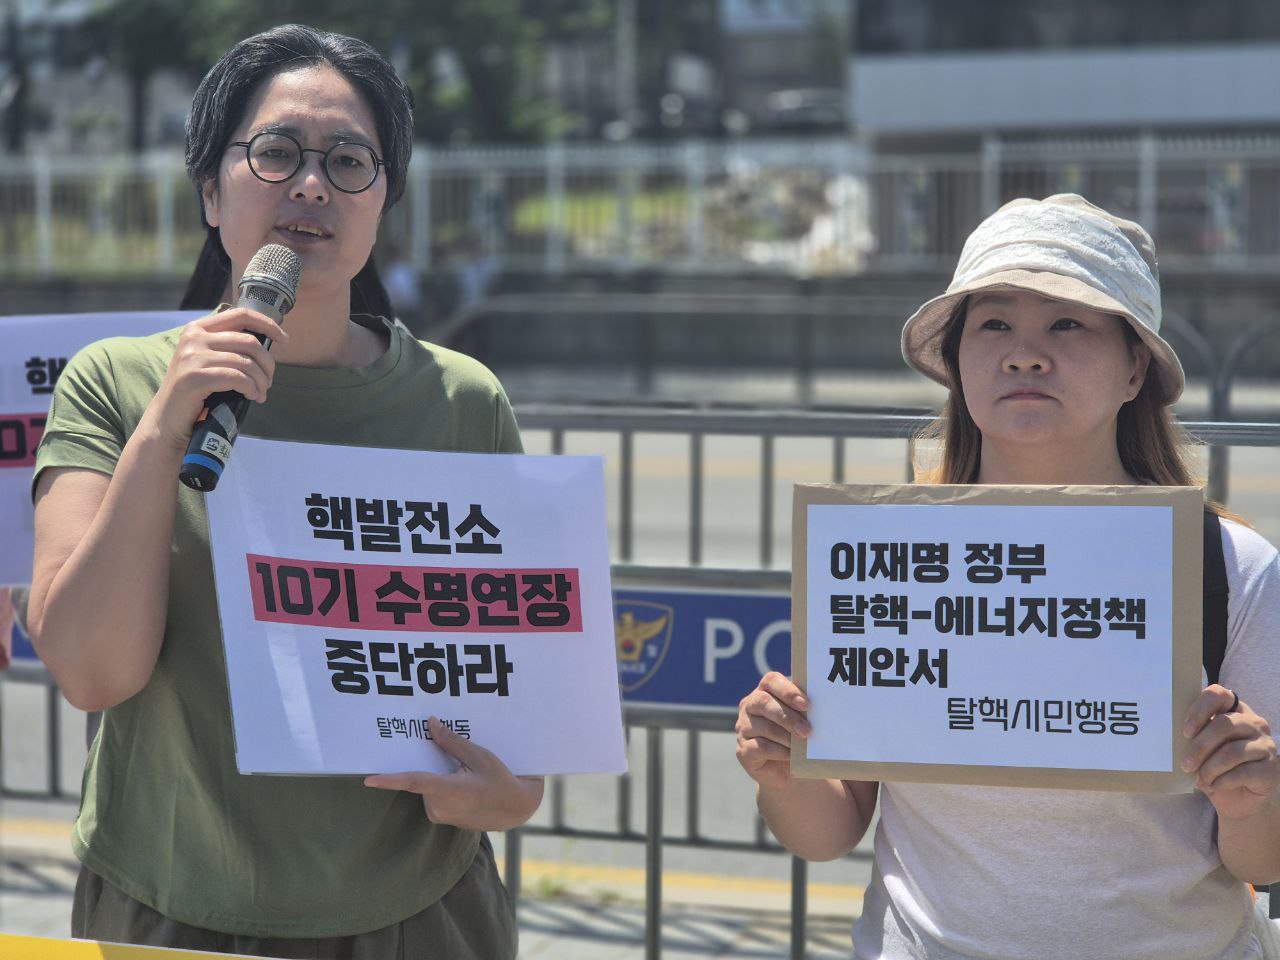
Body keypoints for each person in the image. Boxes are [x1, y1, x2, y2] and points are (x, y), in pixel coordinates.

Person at [28, 24, 540, 958]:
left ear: (383, 203)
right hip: (170, 911)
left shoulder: (464, 401)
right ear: (209, 188)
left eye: (349, 161)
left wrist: (510, 792)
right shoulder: (112, 383)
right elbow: (93, 671)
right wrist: (164, 428)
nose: (311, 184)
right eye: (275, 152)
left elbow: (517, 701)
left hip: (419, 915)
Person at [736, 194, 1280, 960]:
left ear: (1135, 368)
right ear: (956, 363)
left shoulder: (1229, 566)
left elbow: (1262, 860)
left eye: (1068, 323)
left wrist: (1252, 796)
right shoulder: (884, 555)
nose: (1026, 354)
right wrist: (780, 770)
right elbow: (827, 833)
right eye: (993, 324)